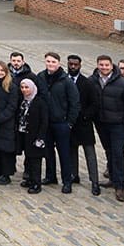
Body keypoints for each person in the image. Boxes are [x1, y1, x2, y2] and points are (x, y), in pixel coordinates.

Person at [92, 55, 124, 202]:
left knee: (118, 154)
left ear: (112, 66)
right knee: (109, 151)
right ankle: (112, 178)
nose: (104, 67)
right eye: (101, 65)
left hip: (118, 125)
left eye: (107, 65)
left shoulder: (123, 83)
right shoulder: (92, 80)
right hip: (101, 123)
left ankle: (120, 186)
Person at [38, 52, 80, 193]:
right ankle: (50, 176)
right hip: (46, 122)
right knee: (48, 151)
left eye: (53, 62)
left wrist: (70, 122)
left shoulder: (66, 81)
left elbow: (75, 103)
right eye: (48, 61)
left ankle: (67, 181)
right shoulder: (41, 77)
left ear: (59, 64)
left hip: (61, 123)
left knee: (64, 153)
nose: (50, 64)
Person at [66, 55, 102, 195]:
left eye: (75, 64)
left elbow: (95, 103)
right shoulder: (64, 80)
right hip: (69, 123)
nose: (73, 67)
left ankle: (95, 181)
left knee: (90, 154)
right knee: (71, 151)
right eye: (70, 64)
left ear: (80, 66)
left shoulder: (87, 83)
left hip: (84, 124)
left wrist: (86, 116)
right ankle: (73, 175)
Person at [17, 78, 50, 194]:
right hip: (24, 133)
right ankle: (30, 179)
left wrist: (40, 137)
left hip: (35, 135)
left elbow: (44, 121)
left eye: (27, 87)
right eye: (22, 87)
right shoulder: (24, 100)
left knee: (35, 160)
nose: (24, 90)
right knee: (28, 158)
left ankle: (37, 183)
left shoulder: (39, 102)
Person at [0, 62, 19, 185]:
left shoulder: (11, 86)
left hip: (6, 122)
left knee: (6, 149)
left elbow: (12, 106)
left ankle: (7, 174)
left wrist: (0, 118)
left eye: (2, 70)